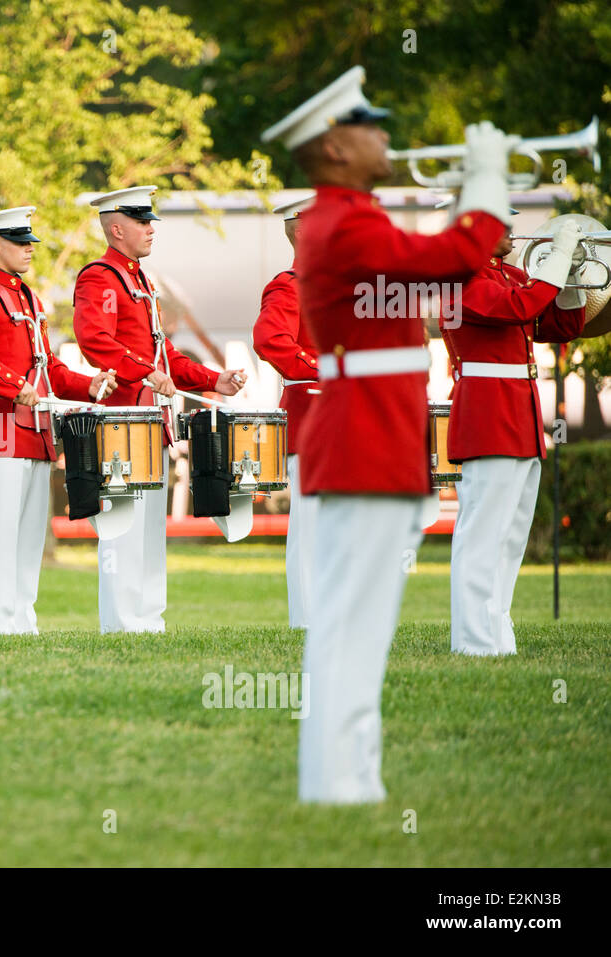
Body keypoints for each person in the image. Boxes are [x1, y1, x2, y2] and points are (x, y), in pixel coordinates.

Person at [263, 65, 513, 803]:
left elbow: (426, 284)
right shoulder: (346, 220)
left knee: (360, 625)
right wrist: (488, 188)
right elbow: (449, 261)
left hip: (375, 433)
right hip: (365, 437)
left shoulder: (349, 219)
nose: (385, 136)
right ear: (334, 147)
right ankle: (338, 782)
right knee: (352, 625)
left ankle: (350, 776)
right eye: (370, 125)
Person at [72, 185, 244, 634]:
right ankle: (123, 625)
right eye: (141, 221)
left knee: (149, 531)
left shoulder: (141, 280)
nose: (151, 229)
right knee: (123, 529)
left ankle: (148, 622)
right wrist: (145, 373)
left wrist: (212, 380)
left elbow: (163, 353)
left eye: (150, 221)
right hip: (122, 420)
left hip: (150, 421)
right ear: (115, 228)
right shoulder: (100, 277)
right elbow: (96, 341)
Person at [0, 206, 116, 634]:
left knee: (27, 541)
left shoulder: (28, 298)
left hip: (36, 434)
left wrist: (89, 385)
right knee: (1, 541)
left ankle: (23, 625)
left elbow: (48, 369)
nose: (29, 250)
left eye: (29, 242)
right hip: (1, 433)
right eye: (20, 243)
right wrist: (11, 385)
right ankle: (0, 628)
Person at [440, 212, 586, 656]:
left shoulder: (509, 274)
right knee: (483, 533)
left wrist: (574, 272)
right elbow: (518, 308)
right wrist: (558, 255)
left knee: (510, 536)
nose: (512, 231)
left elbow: (562, 327)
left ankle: (496, 635)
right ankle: (472, 641)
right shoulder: (457, 279)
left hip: (519, 415)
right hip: (487, 414)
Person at [252, 195, 319, 629]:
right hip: (312, 411)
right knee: (313, 527)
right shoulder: (290, 284)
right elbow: (270, 340)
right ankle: (309, 621)